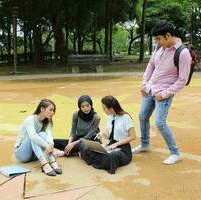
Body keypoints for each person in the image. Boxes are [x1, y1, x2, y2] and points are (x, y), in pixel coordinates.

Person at [131, 20, 192, 165]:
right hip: (150, 89)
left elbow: (182, 79)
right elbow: (151, 65)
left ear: (168, 35)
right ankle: (145, 144)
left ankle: (175, 152)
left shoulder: (183, 53)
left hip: (164, 93)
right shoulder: (159, 47)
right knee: (142, 116)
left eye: (159, 38)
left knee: (160, 123)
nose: (157, 41)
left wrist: (165, 93)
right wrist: (144, 84)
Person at [81, 95, 137, 174]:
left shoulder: (125, 118)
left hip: (123, 150)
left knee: (112, 156)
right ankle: (101, 159)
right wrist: (102, 134)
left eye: (104, 108)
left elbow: (133, 136)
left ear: (111, 108)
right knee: (89, 148)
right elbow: (110, 137)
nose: (103, 110)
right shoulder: (109, 117)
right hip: (111, 146)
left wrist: (116, 144)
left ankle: (98, 160)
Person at [14, 99, 62, 176]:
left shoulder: (47, 121)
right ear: (42, 109)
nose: (52, 112)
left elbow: (49, 135)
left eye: (53, 110)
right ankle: (45, 164)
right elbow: (33, 137)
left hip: (35, 154)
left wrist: (51, 145)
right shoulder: (30, 120)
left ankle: (53, 162)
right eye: (50, 110)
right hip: (22, 154)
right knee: (34, 136)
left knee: (42, 134)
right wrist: (49, 147)